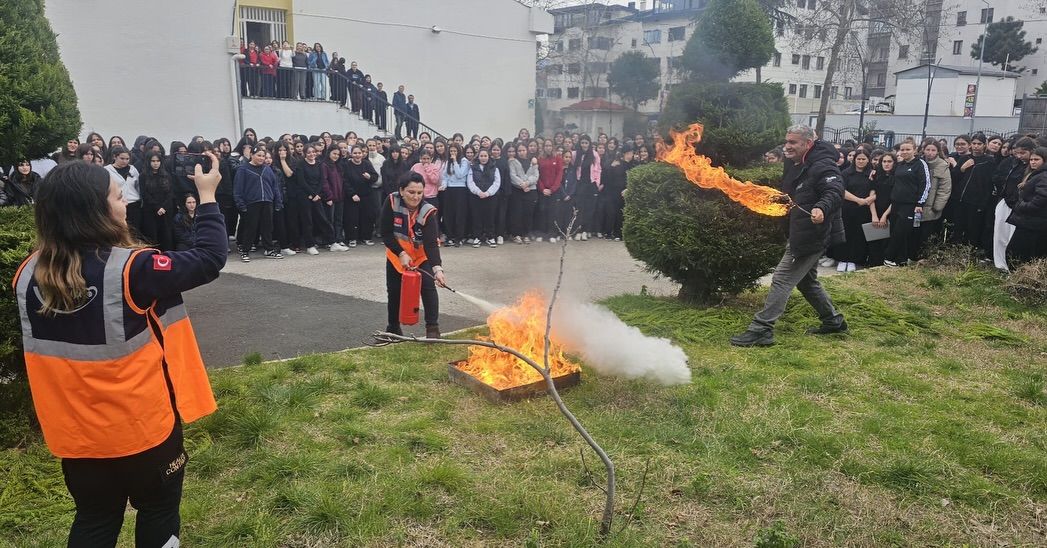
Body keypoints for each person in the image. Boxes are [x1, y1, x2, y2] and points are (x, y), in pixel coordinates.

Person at [13, 155, 224, 546]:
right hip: (143, 431)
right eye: (116, 195)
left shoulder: (26, 274)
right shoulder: (132, 270)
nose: (125, 199)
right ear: (94, 211)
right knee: (159, 510)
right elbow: (209, 259)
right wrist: (207, 196)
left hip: (77, 439)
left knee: (94, 519)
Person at [731, 125, 846, 347]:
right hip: (800, 229)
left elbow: (835, 190)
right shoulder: (795, 163)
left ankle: (762, 329)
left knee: (782, 278)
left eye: (793, 142)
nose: (787, 146)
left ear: (808, 144)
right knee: (807, 282)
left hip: (812, 234)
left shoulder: (823, 164)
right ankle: (833, 321)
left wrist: (821, 208)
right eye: (787, 141)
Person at [381, 172, 447, 339]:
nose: (415, 197)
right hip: (397, 255)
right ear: (402, 191)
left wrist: (437, 270)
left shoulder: (428, 212)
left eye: (419, 192)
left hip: (420, 256)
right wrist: (401, 253)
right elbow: (386, 233)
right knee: (394, 290)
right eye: (411, 192)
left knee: (428, 287)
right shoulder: (391, 202)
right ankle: (393, 328)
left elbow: (431, 243)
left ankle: (433, 329)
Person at [882, 140, 930, 267]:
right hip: (896, 203)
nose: (904, 152)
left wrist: (920, 203)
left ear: (914, 150)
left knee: (901, 232)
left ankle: (888, 257)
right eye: (902, 150)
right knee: (894, 231)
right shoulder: (900, 165)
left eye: (908, 149)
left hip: (910, 205)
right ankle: (900, 260)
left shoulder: (920, 164)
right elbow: (890, 178)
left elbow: (925, 185)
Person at [233, 145, 284, 262]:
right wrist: (240, 204)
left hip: (267, 202)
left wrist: (277, 201)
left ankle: (269, 249)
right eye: (259, 155)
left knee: (267, 227)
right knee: (251, 228)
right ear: (252, 155)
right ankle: (245, 250)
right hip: (251, 203)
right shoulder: (243, 169)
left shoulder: (267, 169)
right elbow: (238, 189)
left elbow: (274, 186)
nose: (261, 158)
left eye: (263, 156)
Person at [831, 149, 872, 272]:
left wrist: (868, 199)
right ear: (854, 160)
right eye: (858, 159)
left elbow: (876, 189)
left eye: (863, 159)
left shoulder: (871, 174)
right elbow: (841, 190)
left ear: (868, 160)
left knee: (858, 235)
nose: (860, 161)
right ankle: (842, 259)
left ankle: (854, 260)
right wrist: (858, 200)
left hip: (864, 210)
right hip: (847, 208)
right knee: (845, 233)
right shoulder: (846, 173)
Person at [1005, 147, 1047, 266]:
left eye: (1037, 159)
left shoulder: (1043, 175)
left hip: (1033, 222)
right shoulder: (1036, 174)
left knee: (1018, 253)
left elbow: (1042, 197)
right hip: (1030, 221)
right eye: (1031, 159)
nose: (1033, 162)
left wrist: (1022, 206)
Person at [917, 140, 952, 250]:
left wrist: (937, 207)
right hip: (917, 204)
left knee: (928, 234)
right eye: (928, 150)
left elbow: (945, 188)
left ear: (937, 151)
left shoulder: (942, 166)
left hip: (931, 206)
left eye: (933, 150)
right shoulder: (918, 163)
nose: (930, 153)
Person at [342, 145, 379, 247]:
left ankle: (366, 237)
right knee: (351, 218)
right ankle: (352, 238)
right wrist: (352, 194)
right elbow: (344, 181)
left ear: (362, 154)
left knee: (367, 217)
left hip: (366, 195)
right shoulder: (346, 165)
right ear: (351, 154)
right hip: (352, 196)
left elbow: (375, 177)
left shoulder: (367, 164)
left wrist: (370, 177)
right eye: (355, 153)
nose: (357, 155)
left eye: (359, 153)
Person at [138, 151, 175, 251]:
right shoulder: (143, 176)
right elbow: (144, 194)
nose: (155, 163)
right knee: (152, 235)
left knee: (166, 235)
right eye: (153, 161)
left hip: (166, 210)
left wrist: (163, 207)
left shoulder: (166, 175)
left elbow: (170, 193)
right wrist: (157, 207)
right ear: (148, 162)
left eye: (158, 161)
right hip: (150, 210)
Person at [103, 146, 142, 235]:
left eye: (127, 159)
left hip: (134, 204)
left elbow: (138, 186)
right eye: (122, 158)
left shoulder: (132, 169)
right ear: (114, 157)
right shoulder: (107, 170)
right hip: (117, 204)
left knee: (135, 232)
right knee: (120, 230)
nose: (125, 161)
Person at [467, 147, 501, 247]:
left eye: (485, 156)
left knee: (490, 217)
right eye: (481, 156)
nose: (483, 158)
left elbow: (497, 182)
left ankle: (490, 237)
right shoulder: (473, 167)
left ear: (488, 156)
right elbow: (470, 182)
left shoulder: (494, 168)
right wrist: (478, 192)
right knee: (477, 217)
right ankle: (477, 237)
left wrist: (488, 193)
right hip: (476, 197)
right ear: (478, 157)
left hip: (490, 197)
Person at [570, 135, 601, 241]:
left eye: (586, 143)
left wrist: (597, 182)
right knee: (579, 208)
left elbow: (598, 169)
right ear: (580, 143)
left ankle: (585, 231)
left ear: (589, 144)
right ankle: (578, 231)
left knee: (589, 209)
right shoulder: (575, 154)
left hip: (591, 184)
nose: (584, 145)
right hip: (580, 184)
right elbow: (572, 166)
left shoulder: (594, 154)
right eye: (582, 143)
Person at [509, 142, 540, 244]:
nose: (521, 152)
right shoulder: (513, 162)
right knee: (517, 213)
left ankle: (526, 234)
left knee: (528, 214)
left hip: (531, 191)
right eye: (519, 151)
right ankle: (516, 234)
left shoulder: (533, 161)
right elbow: (513, 176)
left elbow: (536, 176)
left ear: (527, 150)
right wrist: (522, 185)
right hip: (517, 191)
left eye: (523, 150)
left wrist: (527, 183)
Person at [441, 143, 471, 246]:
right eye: (451, 151)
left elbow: (460, 174)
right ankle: (450, 236)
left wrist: (454, 162)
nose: (453, 153)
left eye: (455, 151)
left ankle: (459, 237)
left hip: (461, 189)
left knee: (460, 214)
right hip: (449, 189)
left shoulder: (464, 161)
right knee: (449, 214)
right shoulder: (447, 162)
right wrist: (444, 185)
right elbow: (445, 176)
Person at [536, 140, 565, 242]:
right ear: (543, 147)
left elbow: (559, 175)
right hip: (542, 191)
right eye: (546, 145)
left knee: (553, 213)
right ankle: (542, 234)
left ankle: (552, 234)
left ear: (553, 147)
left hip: (554, 191)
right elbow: (537, 175)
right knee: (542, 211)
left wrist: (552, 189)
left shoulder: (558, 158)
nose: (548, 147)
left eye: (550, 145)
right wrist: (542, 188)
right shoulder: (540, 159)